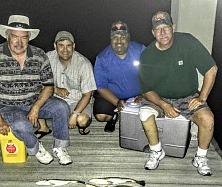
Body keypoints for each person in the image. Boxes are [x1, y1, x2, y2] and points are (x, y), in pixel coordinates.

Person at [0, 15, 73, 165]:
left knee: (62, 107)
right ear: (7, 36)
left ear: (29, 37)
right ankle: (36, 147)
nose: (19, 42)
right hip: (7, 107)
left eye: (24, 38)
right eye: (15, 37)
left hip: (34, 101)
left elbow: (48, 86)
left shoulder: (39, 55)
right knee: (22, 126)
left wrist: (36, 107)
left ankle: (60, 147)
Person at [138, 11, 217, 176]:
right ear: (153, 33)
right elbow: (146, 90)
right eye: (158, 29)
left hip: (187, 96)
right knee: (144, 113)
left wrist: (202, 97)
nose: (162, 33)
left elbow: (211, 69)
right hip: (160, 97)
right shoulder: (147, 55)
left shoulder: (187, 42)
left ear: (173, 27)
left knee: (208, 119)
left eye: (166, 28)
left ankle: (200, 157)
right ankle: (156, 151)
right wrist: (163, 104)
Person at [36, 31, 96, 138]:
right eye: (61, 46)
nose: (65, 50)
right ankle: (43, 127)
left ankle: (81, 126)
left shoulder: (84, 64)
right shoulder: (47, 58)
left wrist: (75, 114)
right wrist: (54, 89)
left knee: (81, 120)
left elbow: (87, 95)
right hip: (55, 99)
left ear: (74, 46)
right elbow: (36, 81)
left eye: (68, 46)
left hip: (77, 100)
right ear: (55, 46)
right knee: (34, 96)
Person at [93, 21, 146, 132]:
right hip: (114, 96)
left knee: (146, 115)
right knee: (101, 116)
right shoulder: (102, 58)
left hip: (138, 96)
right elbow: (101, 87)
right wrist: (117, 102)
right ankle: (113, 116)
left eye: (122, 37)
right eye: (115, 37)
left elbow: (151, 75)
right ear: (110, 39)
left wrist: (144, 95)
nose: (118, 41)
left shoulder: (141, 50)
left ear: (128, 38)